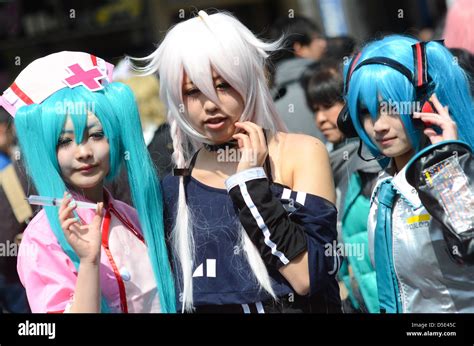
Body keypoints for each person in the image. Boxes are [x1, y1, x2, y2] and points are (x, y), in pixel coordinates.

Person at [133, 10, 341, 313]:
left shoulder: (301, 152)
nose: (210, 104)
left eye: (223, 85)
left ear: (248, 80)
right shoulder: (175, 186)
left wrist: (251, 186)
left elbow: (307, 274)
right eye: (193, 91)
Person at [0, 51, 175, 313]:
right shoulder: (42, 238)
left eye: (96, 135)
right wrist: (89, 262)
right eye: (65, 141)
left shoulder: (131, 216)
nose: (83, 152)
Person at [341, 34, 474, 313]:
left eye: (391, 108)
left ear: (426, 106)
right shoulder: (384, 186)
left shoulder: (456, 173)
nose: (378, 126)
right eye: (366, 111)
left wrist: (446, 166)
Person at [303, 58, 379, 313]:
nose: (321, 119)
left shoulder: (375, 162)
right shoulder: (322, 162)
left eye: (328, 106)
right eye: (314, 109)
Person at [269, 15, 327, 141]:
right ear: (299, 48)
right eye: (318, 38)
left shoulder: (267, 102)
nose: (323, 43)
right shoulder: (326, 88)